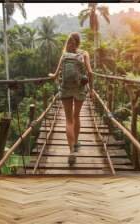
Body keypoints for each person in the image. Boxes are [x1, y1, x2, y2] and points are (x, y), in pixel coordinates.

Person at [49, 32, 94, 165]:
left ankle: (71, 152)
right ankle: (76, 144)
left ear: (68, 42)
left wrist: (51, 75)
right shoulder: (84, 54)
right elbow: (90, 73)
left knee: (69, 120)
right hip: (80, 88)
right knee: (76, 116)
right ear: (79, 43)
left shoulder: (64, 55)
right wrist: (91, 90)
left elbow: (56, 75)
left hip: (66, 89)